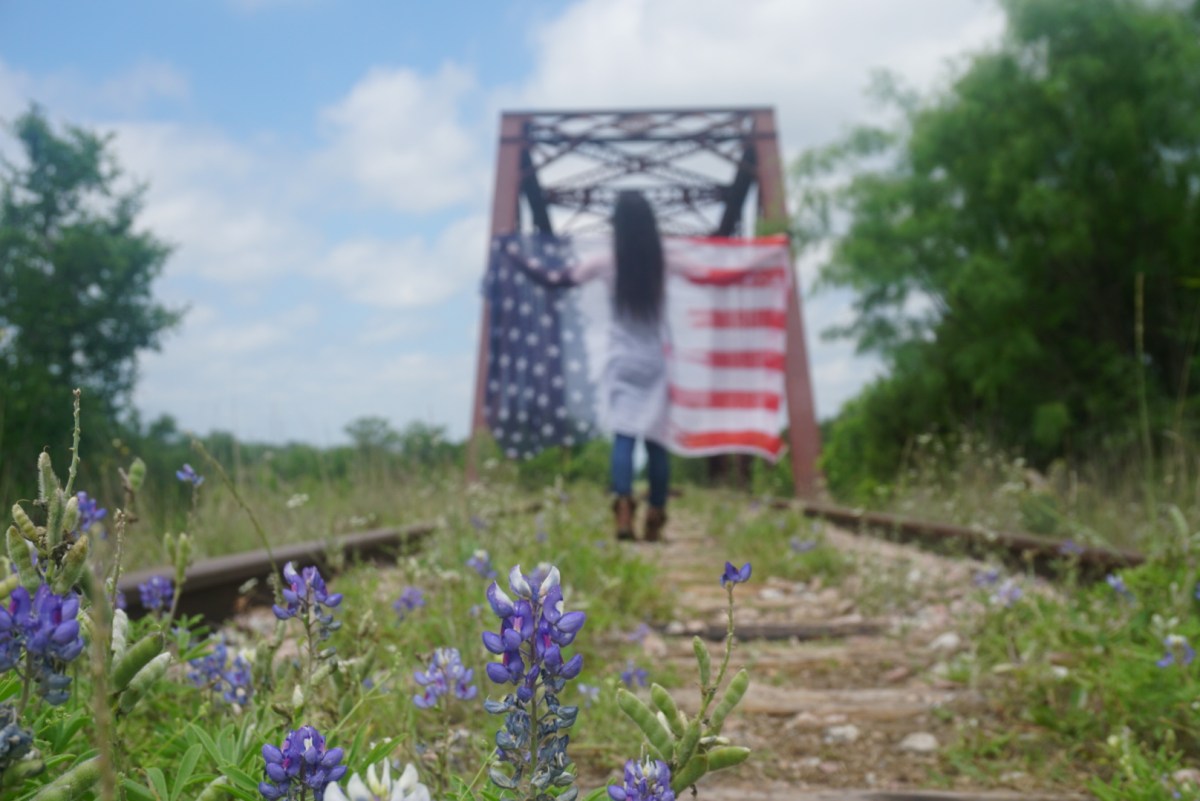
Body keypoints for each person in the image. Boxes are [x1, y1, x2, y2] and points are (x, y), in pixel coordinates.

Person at [574, 190, 671, 542]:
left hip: (621, 361)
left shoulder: (606, 262)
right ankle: (656, 514)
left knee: (624, 437)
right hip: (655, 362)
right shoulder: (663, 260)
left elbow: (561, 278)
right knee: (657, 441)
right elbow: (711, 274)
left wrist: (515, 257)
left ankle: (624, 512)